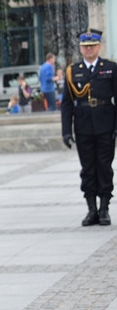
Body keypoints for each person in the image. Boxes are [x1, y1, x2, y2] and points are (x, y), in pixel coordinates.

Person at [61, 28, 117, 227]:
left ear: (99, 46)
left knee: (104, 167)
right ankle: (91, 208)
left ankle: (104, 208)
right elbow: (67, 103)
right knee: (87, 169)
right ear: (80, 49)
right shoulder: (72, 71)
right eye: (85, 46)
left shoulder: (110, 68)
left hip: (105, 124)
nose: (89, 49)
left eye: (92, 46)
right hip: (83, 125)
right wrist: (66, 130)